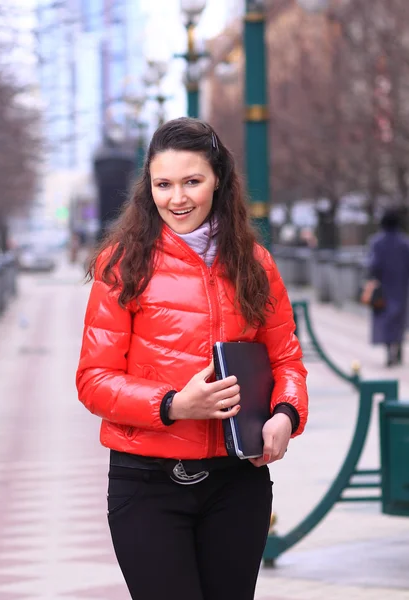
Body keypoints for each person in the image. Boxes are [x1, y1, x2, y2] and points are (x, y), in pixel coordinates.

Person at [76, 117, 308, 600]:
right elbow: (94, 380)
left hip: (237, 481)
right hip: (147, 483)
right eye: (163, 184)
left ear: (217, 180)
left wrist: (287, 414)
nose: (176, 198)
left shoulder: (254, 262)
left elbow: (286, 358)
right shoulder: (123, 265)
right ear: (148, 188)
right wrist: (174, 405)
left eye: (191, 181)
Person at [367, 208, 409, 367]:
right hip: (401, 286)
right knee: (399, 319)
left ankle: (388, 349)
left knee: (385, 319)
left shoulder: (377, 242)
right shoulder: (404, 242)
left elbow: (373, 265)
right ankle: (397, 345)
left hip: (383, 286)